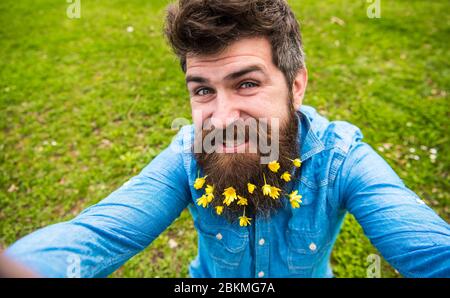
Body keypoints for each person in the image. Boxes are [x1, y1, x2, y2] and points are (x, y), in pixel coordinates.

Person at [3, 0, 449, 278]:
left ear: (296, 85)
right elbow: (95, 237)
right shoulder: (187, 156)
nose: (221, 118)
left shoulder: (342, 160)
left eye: (247, 84)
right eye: (203, 90)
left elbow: (429, 251)